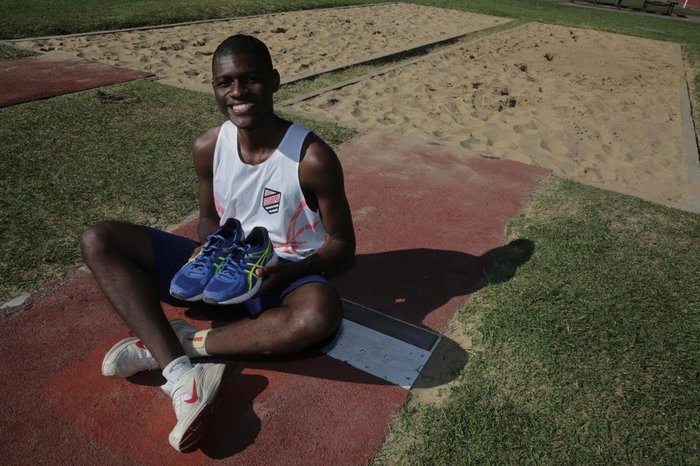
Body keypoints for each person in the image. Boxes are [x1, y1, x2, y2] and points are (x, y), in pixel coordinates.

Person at [79, 34, 355, 453]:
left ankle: (178, 343)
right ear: (214, 88)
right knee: (100, 239)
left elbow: (343, 247)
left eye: (251, 79)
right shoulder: (209, 145)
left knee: (319, 317)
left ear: (275, 81)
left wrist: (291, 269)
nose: (238, 93)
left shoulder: (312, 158)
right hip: (222, 272)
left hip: (280, 274)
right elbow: (210, 217)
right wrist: (206, 248)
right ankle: (181, 374)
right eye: (225, 82)